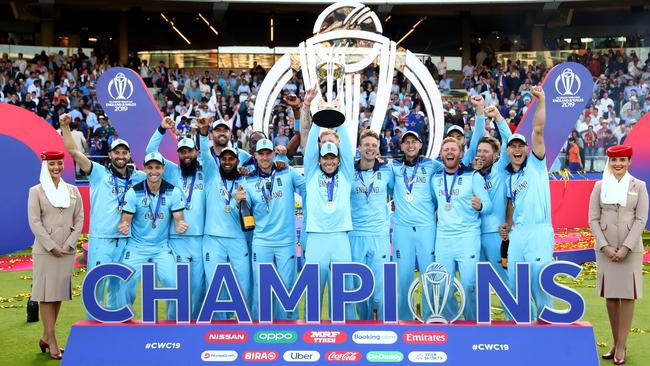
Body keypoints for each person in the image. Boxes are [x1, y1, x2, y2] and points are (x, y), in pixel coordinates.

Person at [59, 114, 146, 312]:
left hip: (127, 241)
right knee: (96, 288)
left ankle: (119, 326)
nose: (121, 156)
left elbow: (159, 171)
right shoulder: (98, 173)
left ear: (129, 155)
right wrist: (65, 126)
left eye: (124, 153)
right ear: (110, 155)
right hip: (102, 240)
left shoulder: (138, 177)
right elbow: (74, 151)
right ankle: (95, 330)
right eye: (117, 153)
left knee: (123, 287)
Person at [589, 145, 648, 365]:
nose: (618, 165)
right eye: (614, 161)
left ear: (629, 161)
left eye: (622, 160)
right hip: (605, 250)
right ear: (609, 162)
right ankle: (616, 343)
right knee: (612, 296)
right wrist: (604, 246)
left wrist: (626, 247)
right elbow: (593, 219)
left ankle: (622, 345)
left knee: (628, 295)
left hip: (629, 250)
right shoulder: (599, 186)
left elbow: (641, 219)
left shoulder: (639, 186)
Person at [499, 86, 553, 319]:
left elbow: (538, 130)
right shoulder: (509, 177)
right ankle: (522, 329)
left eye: (521, 145)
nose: (518, 149)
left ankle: (547, 329)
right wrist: (507, 225)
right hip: (518, 234)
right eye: (513, 146)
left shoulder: (536, 165)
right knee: (514, 285)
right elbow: (512, 204)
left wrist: (541, 100)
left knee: (540, 285)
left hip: (539, 231)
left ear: (527, 149)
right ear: (508, 151)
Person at [145, 117, 206, 320]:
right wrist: (161, 129)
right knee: (178, 288)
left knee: (198, 287)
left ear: (196, 152)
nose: (187, 155)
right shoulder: (171, 170)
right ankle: (173, 325)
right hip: (176, 240)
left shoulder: (205, 172)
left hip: (199, 238)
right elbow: (149, 152)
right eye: (183, 151)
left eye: (190, 151)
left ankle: (195, 326)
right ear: (178, 154)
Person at [237, 139, 305, 320]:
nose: (265, 157)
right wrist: (240, 201)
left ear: (274, 154)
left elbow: (308, 187)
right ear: (255, 156)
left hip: (286, 241)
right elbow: (246, 208)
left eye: (268, 153)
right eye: (261, 154)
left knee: (287, 287)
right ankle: (261, 328)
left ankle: (289, 329)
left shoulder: (288, 172)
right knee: (261, 286)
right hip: (262, 241)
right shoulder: (248, 179)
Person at [28, 151, 83, 360]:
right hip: (45, 251)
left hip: (67, 251)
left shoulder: (73, 191)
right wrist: (51, 246)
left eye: (59, 163)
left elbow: (80, 219)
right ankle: (52, 342)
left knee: (58, 295)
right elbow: (35, 222)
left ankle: (45, 336)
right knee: (46, 296)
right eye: (52, 164)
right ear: (45, 165)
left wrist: (69, 244)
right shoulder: (36, 191)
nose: (56, 167)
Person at [117, 152, 188, 311]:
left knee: (173, 284)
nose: (153, 171)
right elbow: (125, 220)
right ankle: (123, 320)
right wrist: (124, 226)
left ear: (163, 169)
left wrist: (181, 224)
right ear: (144, 169)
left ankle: (173, 320)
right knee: (125, 283)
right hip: (136, 247)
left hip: (161, 248)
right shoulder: (134, 192)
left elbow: (179, 219)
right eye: (150, 168)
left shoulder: (173, 192)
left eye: (157, 167)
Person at [303, 115, 356, 319]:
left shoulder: (346, 174)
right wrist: (319, 117)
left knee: (344, 292)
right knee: (313, 293)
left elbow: (348, 151)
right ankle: (310, 335)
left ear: (338, 158)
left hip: (340, 237)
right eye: (325, 158)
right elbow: (309, 151)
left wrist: (340, 119)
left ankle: (346, 335)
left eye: (333, 157)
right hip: (316, 237)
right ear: (320, 158)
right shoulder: (311, 173)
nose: (329, 162)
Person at [197, 118, 251, 319]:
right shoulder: (211, 174)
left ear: (238, 161)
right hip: (213, 238)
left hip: (237, 239)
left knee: (243, 283)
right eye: (224, 159)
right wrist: (203, 132)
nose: (227, 162)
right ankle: (218, 327)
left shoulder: (244, 180)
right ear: (219, 160)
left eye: (231, 159)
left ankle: (243, 323)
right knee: (214, 285)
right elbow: (204, 151)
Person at [433, 137, 491, 321]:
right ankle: (452, 322)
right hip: (443, 238)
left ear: (461, 153)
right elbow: (436, 204)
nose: (449, 152)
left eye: (453, 149)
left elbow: (488, 206)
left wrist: (480, 206)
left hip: (467, 237)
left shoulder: (473, 176)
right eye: (446, 149)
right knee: (442, 286)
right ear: (441, 154)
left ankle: (474, 323)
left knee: (470, 285)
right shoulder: (435, 179)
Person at [390, 130, 442, 320]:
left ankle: (431, 316)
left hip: (427, 228)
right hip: (402, 229)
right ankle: (403, 318)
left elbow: (453, 169)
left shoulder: (433, 165)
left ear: (421, 145)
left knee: (430, 275)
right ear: (401, 146)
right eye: (407, 142)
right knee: (402, 278)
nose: (410, 145)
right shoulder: (393, 167)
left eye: (414, 142)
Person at [349, 129, 394, 320]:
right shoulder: (348, 170)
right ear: (360, 147)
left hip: (379, 235)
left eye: (374, 145)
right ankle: (362, 325)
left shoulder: (388, 171)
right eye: (366, 144)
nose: (370, 148)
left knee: (379, 288)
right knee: (358, 287)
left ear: (378, 149)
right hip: (355, 234)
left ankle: (381, 327)